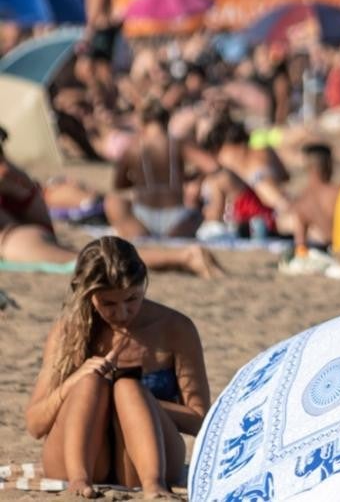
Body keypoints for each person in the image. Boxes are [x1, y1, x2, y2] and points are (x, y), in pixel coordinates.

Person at [25, 237, 210, 498]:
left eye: (132, 298)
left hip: (143, 460)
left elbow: (201, 421)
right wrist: (73, 382)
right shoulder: (70, 331)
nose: (123, 313)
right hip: (80, 456)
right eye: (108, 304)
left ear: (143, 282)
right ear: (87, 295)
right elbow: (35, 424)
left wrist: (139, 401)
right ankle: (80, 481)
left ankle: (153, 486)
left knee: (127, 388)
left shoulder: (174, 328)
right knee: (90, 382)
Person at [106, 101, 219, 240]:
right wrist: (190, 178)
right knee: (197, 214)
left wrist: (140, 181)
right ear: (167, 120)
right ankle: (169, 236)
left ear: (143, 123)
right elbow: (213, 166)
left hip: (142, 216)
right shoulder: (178, 144)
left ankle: (142, 235)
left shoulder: (133, 148)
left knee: (113, 202)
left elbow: (118, 184)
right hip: (176, 217)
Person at [289, 143, 340, 252]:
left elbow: (300, 244)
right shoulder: (339, 192)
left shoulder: (301, 201)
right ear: (328, 164)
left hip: (332, 250)